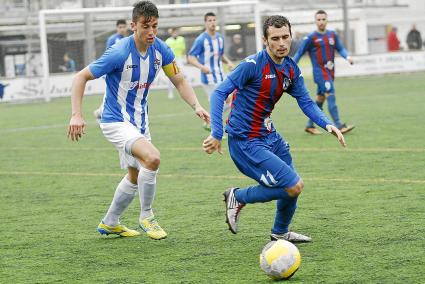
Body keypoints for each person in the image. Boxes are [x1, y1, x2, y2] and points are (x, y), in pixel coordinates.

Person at [67, 1, 209, 239]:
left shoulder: (161, 49)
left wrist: (196, 105)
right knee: (152, 158)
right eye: (145, 26)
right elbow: (81, 77)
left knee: (135, 175)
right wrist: (76, 115)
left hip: (140, 122)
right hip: (115, 120)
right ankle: (147, 215)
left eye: (155, 26)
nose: (151, 32)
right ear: (134, 26)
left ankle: (110, 222)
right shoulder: (120, 52)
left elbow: (180, 80)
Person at [202, 15, 346, 242]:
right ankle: (238, 196)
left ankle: (280, 232)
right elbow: (220, 93)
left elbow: (307, 102)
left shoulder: (290, 69)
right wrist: (217, 133)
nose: (281, 43)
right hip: (245, 141)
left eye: (285, 37)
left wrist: (328, 124)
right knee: (293, 185)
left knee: (292, 182)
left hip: (270, 136)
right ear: (265, 40)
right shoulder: (252, 65)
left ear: (291, 37)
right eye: (275, 38)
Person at [293, 10, 354, 135]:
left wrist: (347, 57)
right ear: (315, 21)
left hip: (330, 72)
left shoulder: (332, 35)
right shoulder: (311, 38)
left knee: (320, 99)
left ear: (327, 20)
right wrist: (291, 66)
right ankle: (339, 125)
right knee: (331, 94)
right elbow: (299, 53)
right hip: (320, 73)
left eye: (323, 19)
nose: (321, 22)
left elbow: (340, 48)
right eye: (318, 19)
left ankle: (310, 125)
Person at [188, 12, 234, 131]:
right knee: (223, 100)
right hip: (208, 78)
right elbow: (191, 57)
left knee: (229, 100)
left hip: (220, 75)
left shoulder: (220, 38)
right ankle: (216, 130)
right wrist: (201, 67)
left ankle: (210, 121)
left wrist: (228, 62)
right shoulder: (201, 39)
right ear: (205, 23)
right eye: (209, 20)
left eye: (214, 20)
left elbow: (220, 55)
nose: (212, 22)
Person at [93, 19, 129, 120]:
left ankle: (100, 112)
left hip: (122, 72)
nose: (122, 29)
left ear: (127, 27)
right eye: (120, 27)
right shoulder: (113, 39)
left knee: (117, 94)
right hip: (112, 71)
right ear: (117, 28)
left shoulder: (127, 39)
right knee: (112, 93)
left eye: (123, 27)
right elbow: (108, 55)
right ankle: (100, 113)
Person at [165, 27, 186, 99]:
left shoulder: (181, 39)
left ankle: (184, 91)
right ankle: (170, 93)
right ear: (171, 33)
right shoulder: (168, 41)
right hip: (172, 60)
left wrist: (183, 58)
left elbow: (183, 49)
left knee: (183, 75)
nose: (175, 33)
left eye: (176, 32)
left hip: (180, 59)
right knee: (171, 77)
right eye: (173, 32)